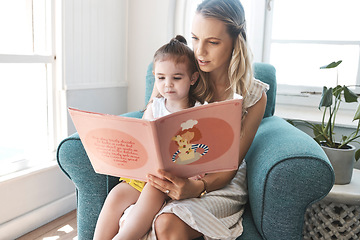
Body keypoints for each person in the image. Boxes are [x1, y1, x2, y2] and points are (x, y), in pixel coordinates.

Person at [143, 0, 269, 239]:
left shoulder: (254, 96)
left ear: (235, 42)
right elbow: (149, 122)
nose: (199, 51)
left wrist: (197, 188)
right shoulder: (178, 73)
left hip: (219, 182)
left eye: (212, 42)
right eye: (195, 38)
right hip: (172, 169)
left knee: (167, 223)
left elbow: (231, 165)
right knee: (127, 208)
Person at [92, 35, 204, 240]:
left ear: (193, 78)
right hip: (142, 175)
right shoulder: (155, 108)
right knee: (116, 195)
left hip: (170, 180)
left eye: (176, 78)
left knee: (155, 187)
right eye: (161, 78)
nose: (168, 85)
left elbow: (204, 150)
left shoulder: (199, 112)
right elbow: (140, 137)